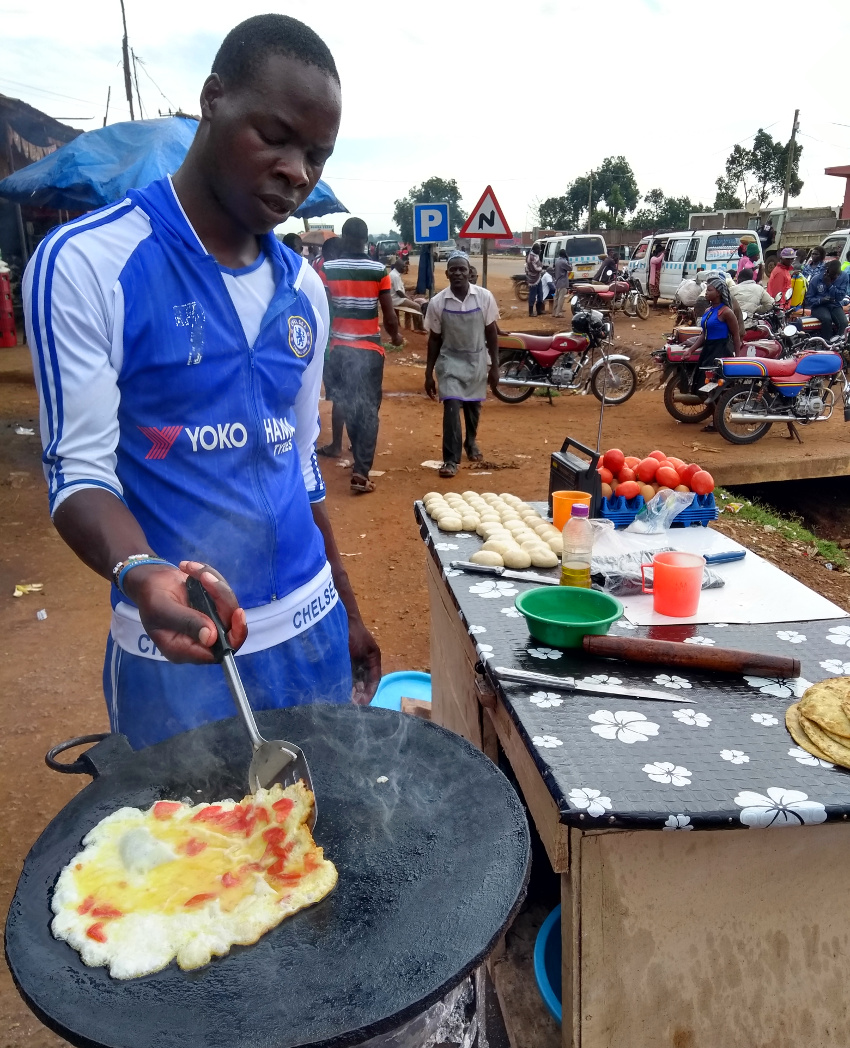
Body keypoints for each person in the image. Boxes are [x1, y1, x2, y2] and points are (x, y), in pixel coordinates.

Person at [22, 14, 381, 749]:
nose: (297, 171)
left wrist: (346, 604)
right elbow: (80, 476)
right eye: (276, 136)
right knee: (190, 859)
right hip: (182, 659)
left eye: (316, 154)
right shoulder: (89, 264)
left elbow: (299, 462)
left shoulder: (304, 291)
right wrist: (144, 573)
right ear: (213, 99)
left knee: (319, 847)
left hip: (313, 634)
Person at [321, 217, 402, 495]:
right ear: (366, 240)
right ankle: (361, 471)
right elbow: (389, 315)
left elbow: (321, 309)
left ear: (343, 239)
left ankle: (358, 466)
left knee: (347, 402)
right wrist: (397, 337)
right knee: (367, 409)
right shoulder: (379, 270)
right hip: (368, 350)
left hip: (338, 351)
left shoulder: (327, 269)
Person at [424, 253, 499, 479]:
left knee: (473, 407)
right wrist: (428, 373)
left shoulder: (484, 298)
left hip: (476, 360)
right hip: (449, 362)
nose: (457, 273)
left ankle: (471, 441)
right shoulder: (438, 303)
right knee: (451, 404)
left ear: (469, 272)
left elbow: (491, 333)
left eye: (462, 269)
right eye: (453, 270)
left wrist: (495, 366)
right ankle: (450, 459)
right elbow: (434, 339)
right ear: (446, 274)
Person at [688, 276, 741, 430]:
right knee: (701, 388)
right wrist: (691, 350)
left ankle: (718, 422)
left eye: (709, 290)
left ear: (718, 293)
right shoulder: (708, 310)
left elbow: (736, 336)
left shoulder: (727, 312)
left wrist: (737, 359)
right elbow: (703, 335)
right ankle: (718, 420)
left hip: (720, 352)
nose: (706, 293)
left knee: (712, 389)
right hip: (708, 351)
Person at [805, 259, 849, 339]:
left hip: (834, 305)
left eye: (837, 275)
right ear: (827, 272)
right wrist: (821, 300)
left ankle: (838, 343)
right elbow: (808, 299)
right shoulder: (816, 279)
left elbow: (840, 296)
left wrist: (830, 286)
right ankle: (826, 343)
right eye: (833, 275)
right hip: (819, 306)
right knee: (826, 319)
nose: (836, 277)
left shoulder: (843, 276)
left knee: (844, 323)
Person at [525, 243, 544, 317]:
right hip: (533, 278)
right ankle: (531, 312)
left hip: (538, 277)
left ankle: (539, 310)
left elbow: (539, 265)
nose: (539, 251)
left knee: (540, 293)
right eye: (538, 249)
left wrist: (540, 267)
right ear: (534, 250)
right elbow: (535, 269)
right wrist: (541, 269)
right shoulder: (531, 258)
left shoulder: (536, 256)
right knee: (532, 295)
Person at [552, 248, 570, 317]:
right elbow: (570, 268)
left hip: (557, 281)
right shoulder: (563, 262)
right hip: (563, 282)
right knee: (561, 298)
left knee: (556, 297)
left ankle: (554, 312)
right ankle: (558, 313)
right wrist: (568, 259)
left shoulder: (557, 261)